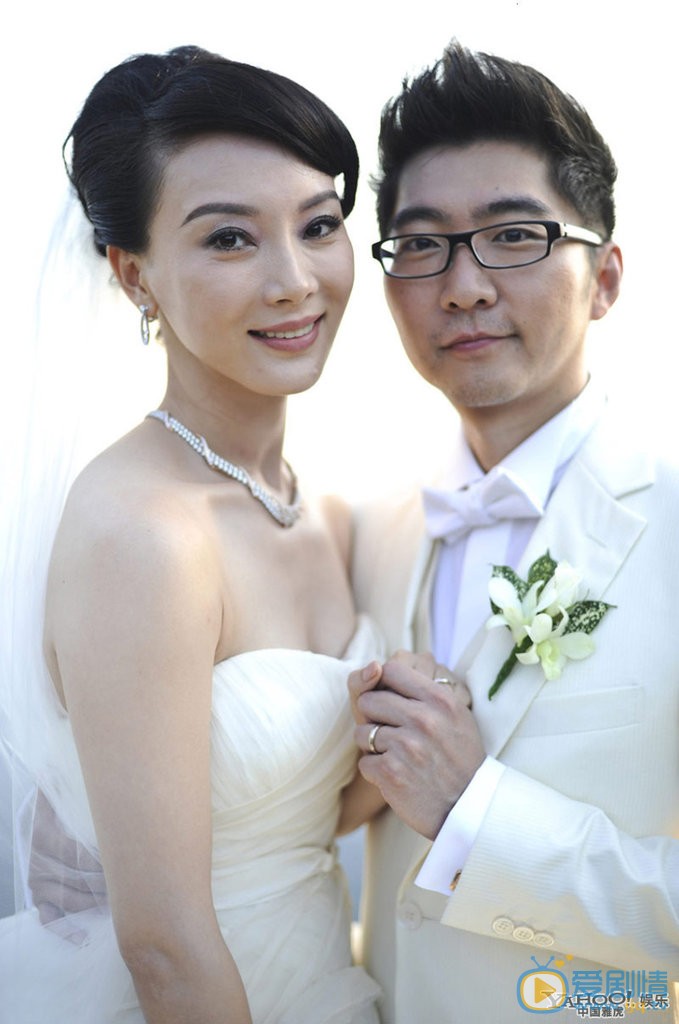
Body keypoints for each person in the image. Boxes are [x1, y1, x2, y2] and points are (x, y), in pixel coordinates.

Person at [0, 45, 386, 1024]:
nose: (294, 281)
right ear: (134, 275)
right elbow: (164, 947)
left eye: (319, 225)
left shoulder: (320, 510)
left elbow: (290, 810)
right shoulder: (142, 537)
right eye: (229, 239)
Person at [350, 40, 679, 1023]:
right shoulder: (372, 533)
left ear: (605, 278)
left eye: (512, 236)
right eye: (421, 245)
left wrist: (475, 818)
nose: (461, 285)